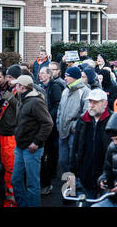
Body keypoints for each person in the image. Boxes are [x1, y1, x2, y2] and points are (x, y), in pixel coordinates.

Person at [11, 75, 53, 207]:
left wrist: (36, 142)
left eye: (17, 85)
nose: (15, 87)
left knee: (32, 184)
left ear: (22, 87)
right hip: (20, 147)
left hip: (31, 149)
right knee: (16, 180)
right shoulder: (22, 99)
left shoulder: (35, 102)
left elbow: (48, 123)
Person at [70, 89, 113, 201]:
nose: (91, 105)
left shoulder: (113, 121)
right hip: (86, 175)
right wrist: (73, 172)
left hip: (106, 176)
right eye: (90, 102)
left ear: (105, 103)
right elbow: (75, 148)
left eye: (95, 102)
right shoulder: (83, 120)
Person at [56, 67, 91, 174]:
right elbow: (60, 109)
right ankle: (68, 185)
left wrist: (74, 127)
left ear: (74, 77)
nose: (65, 78)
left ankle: (75, 186)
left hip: (74, 133)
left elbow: (86, 112)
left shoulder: (85, 91)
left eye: (67, 76)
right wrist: (58, 123)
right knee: (62, 161)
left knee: (74, 161)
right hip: (62, 131)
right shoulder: (65, 90)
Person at [38, 67, 64, 195]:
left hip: (51, 122)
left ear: (49, 75)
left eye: (43, 73)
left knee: (52, 148)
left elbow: (57, 104)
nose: (40, 75)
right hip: (43, 122)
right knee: (46, 148)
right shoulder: (39, 87)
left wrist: (48, 116)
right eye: (40, 73)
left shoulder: (55, 87)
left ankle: (52, 173)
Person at [0, 67, 19, 206]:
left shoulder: (18, 91)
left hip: (11, 135)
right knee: (6, 167)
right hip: (3, 132)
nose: (8, 80)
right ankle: (9, 197)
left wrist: (11, 99)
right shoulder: (7, 91)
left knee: (11, 168)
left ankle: (12, 199)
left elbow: (22, 109)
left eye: (10, 78)